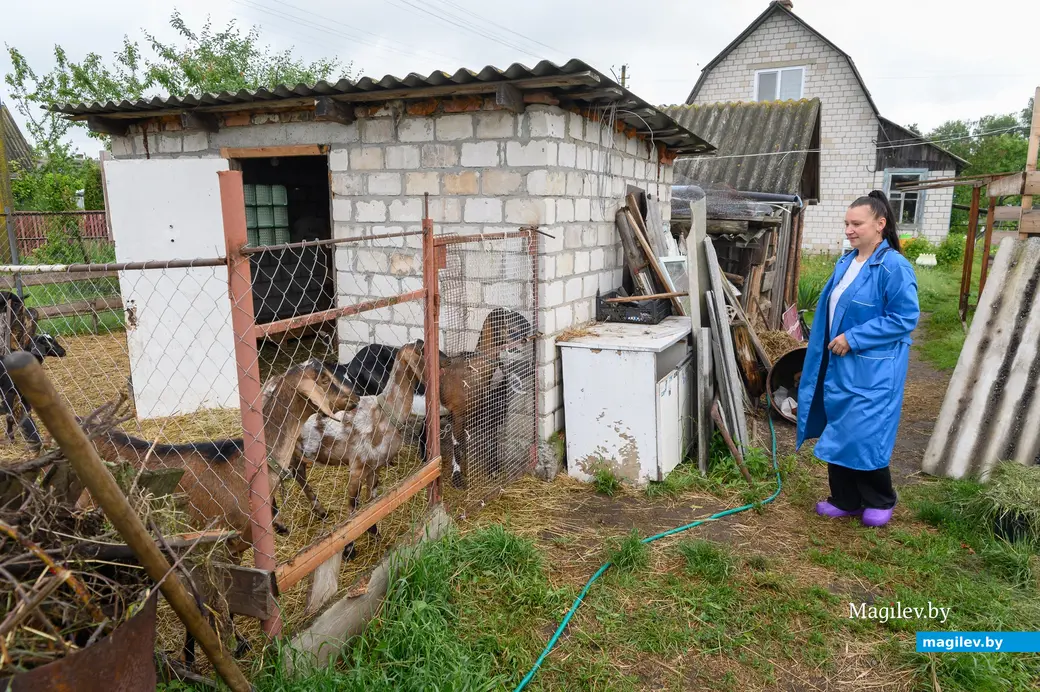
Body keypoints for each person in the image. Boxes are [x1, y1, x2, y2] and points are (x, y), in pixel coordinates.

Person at [795, 190, 920, 528]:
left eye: (857, 223)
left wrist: (854, 337)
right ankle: (846, 499)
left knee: (865, 432)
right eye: (847, 223)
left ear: (880, 224)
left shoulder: (893, 266)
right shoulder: (846, 262)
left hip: (874, 367)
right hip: (840, 363)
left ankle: (880, 499)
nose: (849, 230)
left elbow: (905, 317)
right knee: (839, 426)